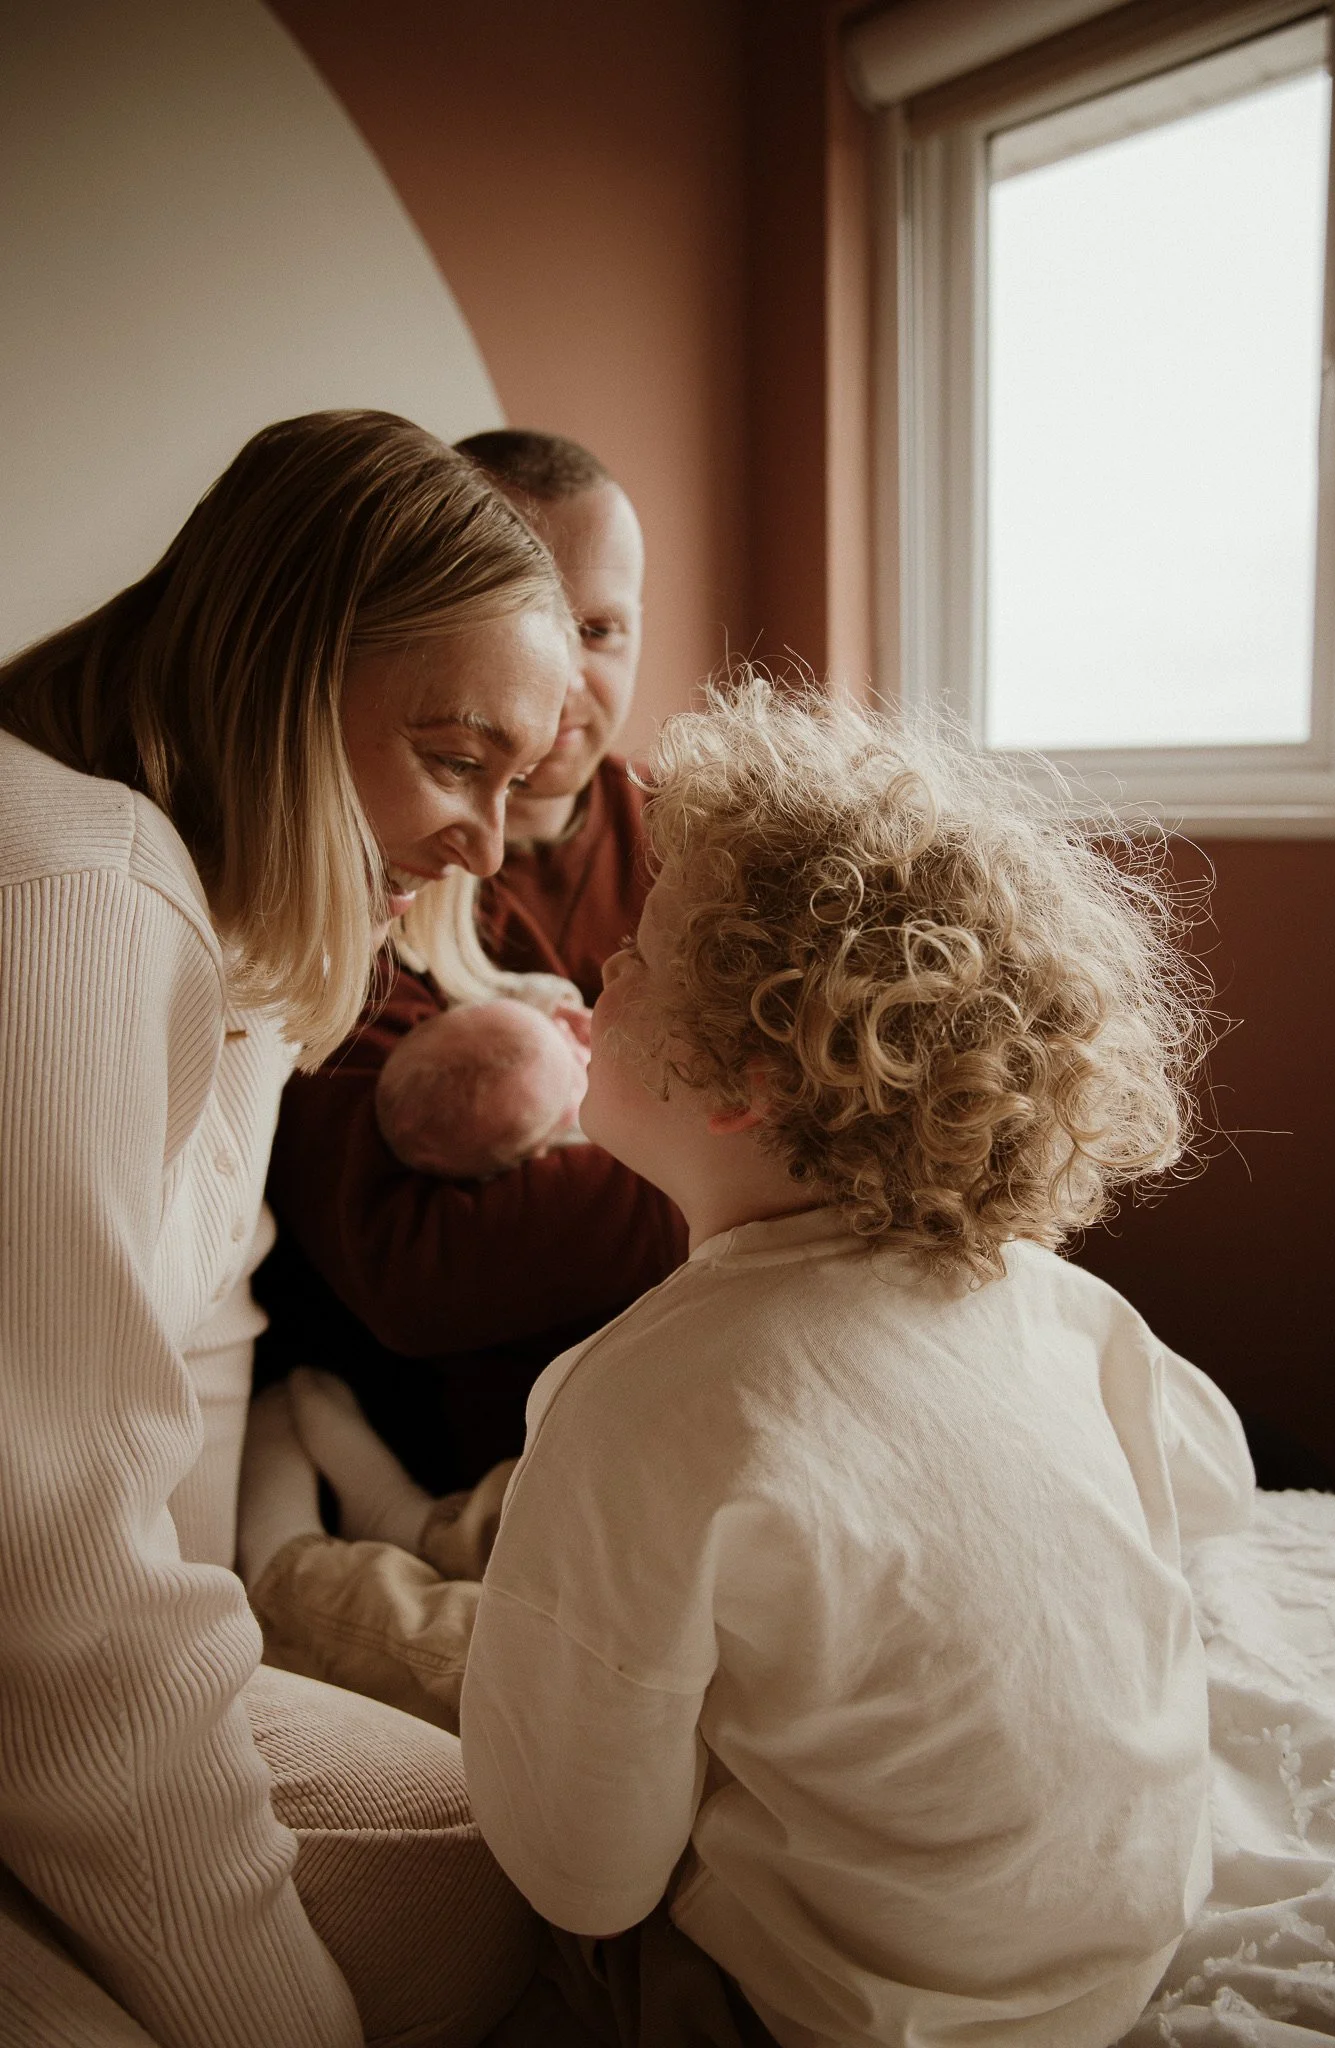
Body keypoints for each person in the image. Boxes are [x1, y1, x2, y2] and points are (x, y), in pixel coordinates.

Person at [238, 677, 1255, 2048]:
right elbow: (1213, 1499)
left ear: (737, 1084)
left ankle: (291, 1558)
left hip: (827, 2013)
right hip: (1106, 1953)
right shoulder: (1057, 1307)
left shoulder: (649, 1392)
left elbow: (584, 1881)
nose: (598, 973)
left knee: (491, 1655)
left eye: (638, 957)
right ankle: (433, 1518)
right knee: (702, 1555)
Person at [0, 410, 575, 2048]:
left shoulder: (225, 907)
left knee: (483, 1860)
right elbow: (46, 1568)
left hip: (36, 1632)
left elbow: (193, 1327)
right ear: (278, 662)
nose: (486, 837)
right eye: (455, 755)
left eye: (512, 779)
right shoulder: (76, 895)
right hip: (20, 1620)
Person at [257, 429, 685, 1492]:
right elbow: (412, 1267)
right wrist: (763, 1177)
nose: (569, 674)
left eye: (601, 628)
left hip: (683, 1414)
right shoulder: (372, 870)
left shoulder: (693, 848)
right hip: (444, 1458)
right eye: (531, 616)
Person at [375, 992, 590, 1178]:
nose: (567, 1033)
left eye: (556, 1027)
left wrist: (558, 1003)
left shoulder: (535, 1027)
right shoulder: (584, 1140)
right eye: (575, 1066)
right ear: (540, 1148)